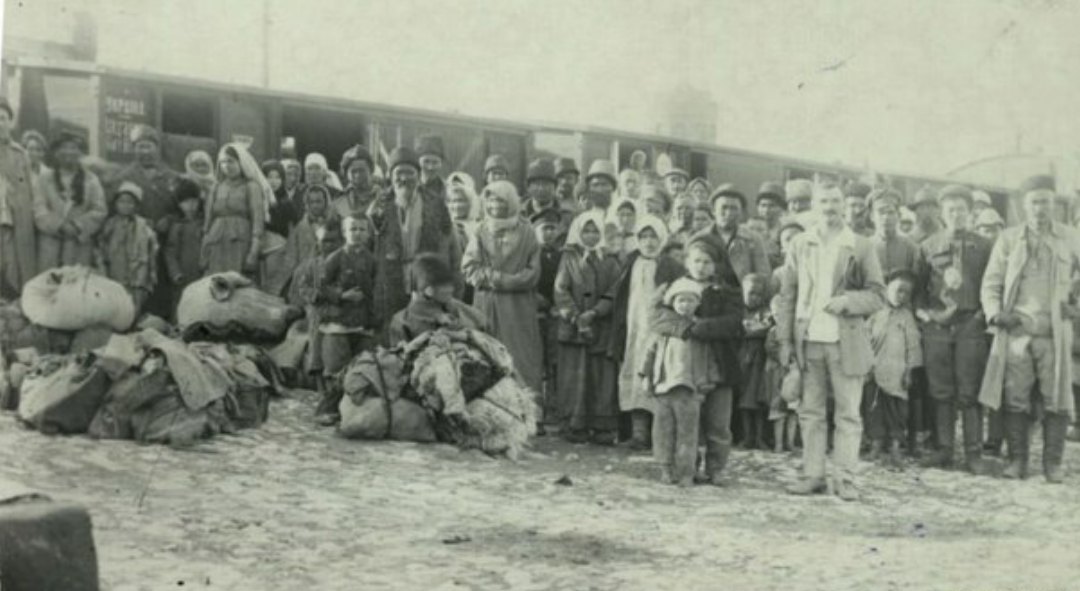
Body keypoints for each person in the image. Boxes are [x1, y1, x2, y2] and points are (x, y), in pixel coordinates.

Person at [777, 181, 885, 501]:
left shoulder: (861, 245)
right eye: (823, 201)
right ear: (814, 205)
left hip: (845, 342)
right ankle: (813, 474)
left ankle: (846, 478)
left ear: (845, 206)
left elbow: (878, 295)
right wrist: (784, 340)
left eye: (836, 201)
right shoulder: (800, 242)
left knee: (848, 413)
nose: (830, 207)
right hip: (808, 340)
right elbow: (788, 294)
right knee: (810, 412)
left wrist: (848, 302)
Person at [980, 175, 1080, 483]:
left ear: (1055, 205)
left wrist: (1076, 306)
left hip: (1055, 335)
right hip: (1018, 333)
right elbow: (991, 283)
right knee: (1015, 397)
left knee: (1057, 398)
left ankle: (1053, 463)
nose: (1040, 209)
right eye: (1034, 202)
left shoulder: (1070, 237)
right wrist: (997, 314)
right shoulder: (1009, 239)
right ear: (1024, 206)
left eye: (1046, 202)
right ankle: (1018, 460)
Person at [651, 239, 745, 485]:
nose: (701, 267)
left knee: (718, 421)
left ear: (716, 265)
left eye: (707, 262)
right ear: (687, 262)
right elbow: (658, 318)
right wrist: (686, 329)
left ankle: (717, 467)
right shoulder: (675, 289)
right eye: (696, 261)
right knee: (686, 421)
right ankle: (686, 467)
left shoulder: (726, 291)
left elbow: (734, 322)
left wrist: (702, 327)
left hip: (719, 363)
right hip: (685, 367)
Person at [913, 185, 993, 474]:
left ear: (971, 213)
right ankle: (945, 450)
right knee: (940, 390)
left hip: (970, 324)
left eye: (961, 209)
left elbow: (993, 284)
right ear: (942, 214)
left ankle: (973, 454)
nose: (956, 214)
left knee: (969, 391)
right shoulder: (927, 246)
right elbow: (919, 290)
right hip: (937, 327)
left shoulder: (985, 246)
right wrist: (924, 316)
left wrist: (982, 317)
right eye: (950, 210)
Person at [461, 180, 544, 393]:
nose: (494, 204)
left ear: (511, 202)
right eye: (490, 199)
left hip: (518, 307)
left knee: (521, 356)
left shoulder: (527, 231)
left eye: (500, 199)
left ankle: (528, 412)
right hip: (486, 305)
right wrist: (495, 278)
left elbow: (533, 273)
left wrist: (507, 282)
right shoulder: (480, 230)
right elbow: (470, 268)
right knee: (486, 355)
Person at [610, 215, 683, 449]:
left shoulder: (671, 266)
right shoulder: (630, 263)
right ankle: (638, 434)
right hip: (633, 329)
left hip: (659, 331)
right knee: (634, 376)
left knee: (658, 376)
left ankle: (659, 435)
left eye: (654, 237)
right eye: (644, 236)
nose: (649, 242)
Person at [553, 210, 622, 444]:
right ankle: (575, 424)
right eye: (586, 230)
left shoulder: (611, 260)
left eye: (595, 231)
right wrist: (574, 315)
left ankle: (601, 425)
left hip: (600, 326)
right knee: (575, 376)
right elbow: (560, 290)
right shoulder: (568, 257)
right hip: (573, 327)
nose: (591, 235)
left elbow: (615, 291)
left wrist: (595, 312)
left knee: (600, 376)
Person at [644, 277, 718, 486]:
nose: (685, 305)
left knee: (688, 433)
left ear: (697, 304)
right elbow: (650, 354)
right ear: (672, 303)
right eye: (680, 301)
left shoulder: (700, 329)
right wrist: (646, 376)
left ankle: (686, 472)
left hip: (690, 389)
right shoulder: (665, 329)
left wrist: (709, 380)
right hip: (664, 387)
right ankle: (665, 468)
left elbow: (709, 357)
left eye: (690, 301)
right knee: (663, 431)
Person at [368, 146, 460, 311]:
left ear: (418, 175)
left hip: (427, 281)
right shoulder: (377, 207)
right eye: (398, 173)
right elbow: (370, 250)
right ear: (390, 176)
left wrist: (452, 286)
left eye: (409, 172)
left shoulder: (436, 206)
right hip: (389, 284)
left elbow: (451, 248)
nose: (404, 178)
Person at [313, 214, 378, 425]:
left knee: (361, 367)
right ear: (344, 233)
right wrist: (342, 296)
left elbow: (376, 290)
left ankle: (351, 411)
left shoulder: (371, 260)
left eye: (362, 229)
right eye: (353, 229)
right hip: (338, 322)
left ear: (368, 233)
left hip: (361, 323)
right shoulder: (336, 258)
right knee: (336, 369)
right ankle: (327, 408)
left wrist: (373, 320)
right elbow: (320, 287)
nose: (357, 234)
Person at [867, 269, 923, 469]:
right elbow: (866, 338)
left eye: (907, 293)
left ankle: (895, 448)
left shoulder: (907, 317)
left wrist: (909, 371)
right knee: (875, 410)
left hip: (898, 374)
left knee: (898, 412)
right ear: (887, 287)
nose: (902, 296)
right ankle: (875, 444)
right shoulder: (876, 313)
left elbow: (913, 345)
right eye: (898, 290)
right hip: (876, 370)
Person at [33, 131, 107, 272]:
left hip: (78, 246)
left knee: (75, 287)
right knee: (48, 287)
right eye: (64, 147)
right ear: (56, 152)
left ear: (80, 152)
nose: (69, 152)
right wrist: (58, 225)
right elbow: (39, 209)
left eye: (74, 148)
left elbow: (99, 210)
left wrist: (77, 226)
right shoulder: (44, 179)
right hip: (50, 246)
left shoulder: (91, 180)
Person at [202, 143, 268, 277]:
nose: (226, 166)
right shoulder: (216, 188)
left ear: (241, 162)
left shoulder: (251, 187)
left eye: (231, 161)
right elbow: (208, 224)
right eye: (223, 162)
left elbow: (257, 223)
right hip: (216, 243)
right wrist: (204, 252)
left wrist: (253, 253)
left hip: (240, 244)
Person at [387, 254, 486, 345]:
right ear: (428, 290)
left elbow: (483, 324)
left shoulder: (457, 307)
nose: (451, 289)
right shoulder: (402, 322)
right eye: (445, 286)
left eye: (450, 284)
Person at [96, 181, 158, 313]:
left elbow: (152, 250)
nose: (125, 206)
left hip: (137, 272)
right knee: (115, 301)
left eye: (130, 202)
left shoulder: (143, 226)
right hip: (115, 269)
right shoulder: (110, 225)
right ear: (116, 204)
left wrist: (150, 271)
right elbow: (101, 245)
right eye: (122, 202)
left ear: (136, 206)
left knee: (134, 304)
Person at [107, 125, 180, 233]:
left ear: (156, 148)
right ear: (134, 149)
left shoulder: (172, 177)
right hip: (134, 237)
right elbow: (113, 211)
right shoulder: (123, 178)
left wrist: (169, 219)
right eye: (141, 147)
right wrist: (137, 221)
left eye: (149, 146)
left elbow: (183, 209)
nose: (145, 151)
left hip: (167, 239)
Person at [0, 98, 39, 297]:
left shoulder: (20, 154)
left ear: (10, 122)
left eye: (2, 118)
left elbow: (31, 191)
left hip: (15, 221)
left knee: (15, 270)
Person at [692, 188, 771, 283]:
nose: (729, 213)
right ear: (713, 211)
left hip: (741, 294)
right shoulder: (700, 238)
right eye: (724, 207)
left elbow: (763, 275)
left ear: (741, 212)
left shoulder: (753, 239)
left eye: (734, 208)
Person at [533, 209, 565, 429]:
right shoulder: (530, 255)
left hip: (555, 314)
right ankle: (537, 411)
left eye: (552, 228)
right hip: (534, 313)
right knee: (537, 361)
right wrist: (537, 300)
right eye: (544, 228)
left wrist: (557, 305)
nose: (548, 233)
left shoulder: (563, 256)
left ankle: (554, 409)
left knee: (554, 361)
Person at [737, 273, 774, 450]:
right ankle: (746, 436)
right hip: (743, 360)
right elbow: (736, 329)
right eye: (751, 293)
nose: (755, 298)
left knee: (759, 400)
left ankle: (760, 437)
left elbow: (768, 328)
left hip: (760, 361)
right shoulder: (738, 311)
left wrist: (749, 330)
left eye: (759, 294)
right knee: (743, 400)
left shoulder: (766, 311)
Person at [163, 178, 205, 313]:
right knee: (182, 304)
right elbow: (170, 251)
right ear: (179, 204)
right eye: (186, 202)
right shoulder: (178, 226)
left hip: (203, 272)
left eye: (194, 201)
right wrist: (175, 273)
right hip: (184, 274)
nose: (191, 206)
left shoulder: (205, 223)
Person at [521, 158, 572, 240]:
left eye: (546, 184)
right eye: (537, 184)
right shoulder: (518, 214)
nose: (541, 188)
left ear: (555, 186)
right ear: (528, 187)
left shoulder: (567, 218)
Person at [334, 145, 379, 219]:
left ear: (370, 171)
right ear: (346, 174)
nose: (358, 175)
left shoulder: (382, 198)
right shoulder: (339, 203)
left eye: (362, 170)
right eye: (353, 171)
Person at [757, 181, 787, 268]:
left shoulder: (785, 231)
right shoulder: (750, 228)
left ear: (781, 208)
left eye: (772, 206)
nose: (766, 210)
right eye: (763, 205)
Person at [415, 134, 446, 199]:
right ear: (418, 162)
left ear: (441, 164)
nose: (430, 167)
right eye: (426, 161)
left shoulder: (448, 190)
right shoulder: (409, 188)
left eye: (435, 162)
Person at [606, 197, 638, 261]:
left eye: (629, 215)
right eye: (622, 215)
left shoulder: (638, 238)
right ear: (617, 215)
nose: (625, 219)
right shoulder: (610, 236)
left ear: (635, 216)